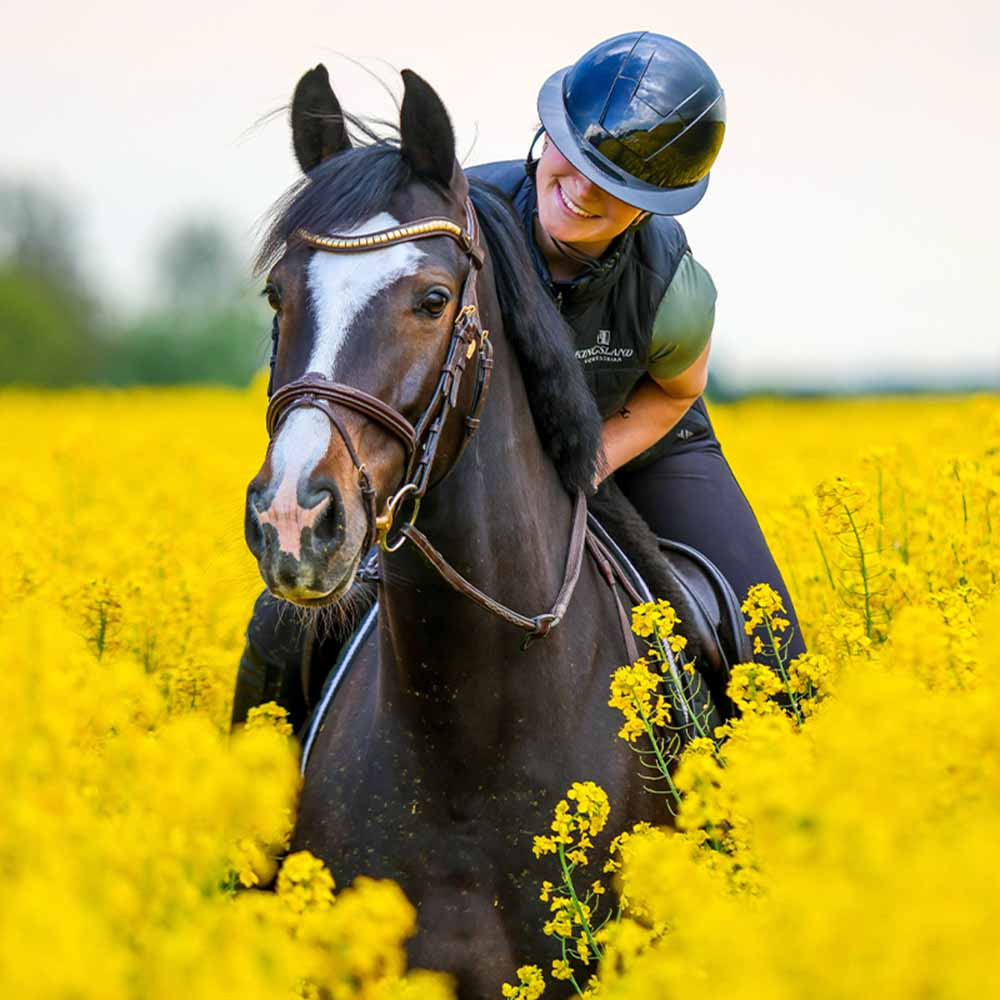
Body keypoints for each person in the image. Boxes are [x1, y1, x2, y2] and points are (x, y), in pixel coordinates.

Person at [231, 31, 806, 731]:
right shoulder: (448, 225)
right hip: (475, 444)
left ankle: (778, 802)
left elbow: (677, 392)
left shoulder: (670, 282)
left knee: (760, 619)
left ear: (656, 201)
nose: (584, 189)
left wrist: (583, 466)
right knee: (283, 621)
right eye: (574, 153)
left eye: (618, 185)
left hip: (636, 438)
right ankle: (253, 808)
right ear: (548, 131)